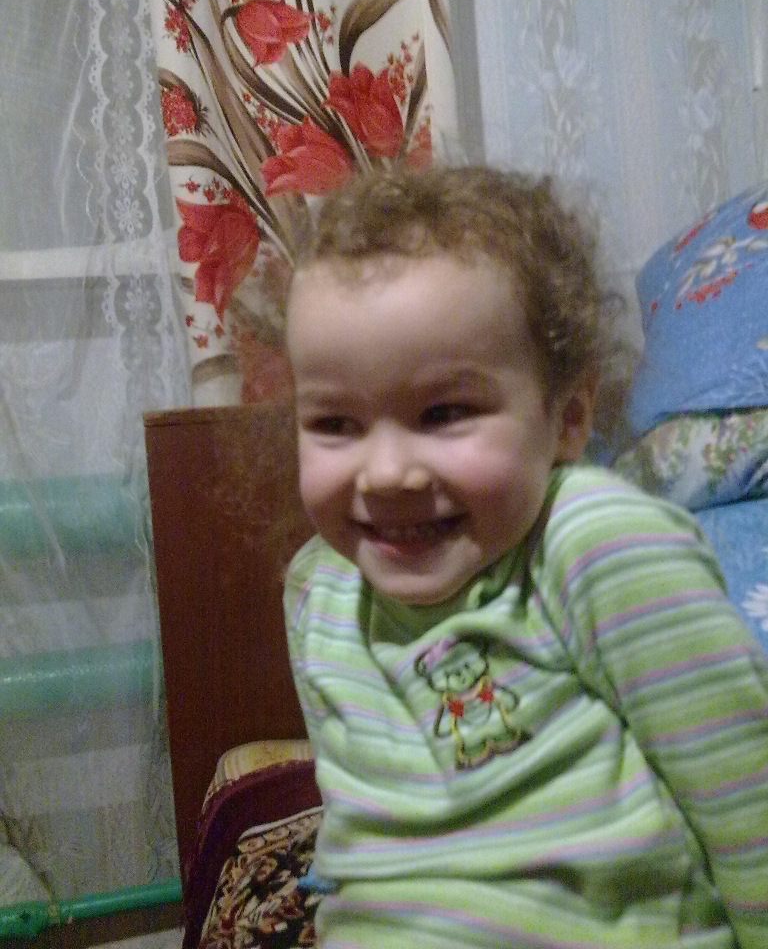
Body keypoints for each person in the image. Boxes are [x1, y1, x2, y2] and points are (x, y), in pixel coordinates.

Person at [282, 164, 768, 948]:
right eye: (335, 424)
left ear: (567, 418)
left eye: (444, 412)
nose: (386, 473)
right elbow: (362, 841)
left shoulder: (598, 543)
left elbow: (744, 798)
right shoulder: (321, 589)